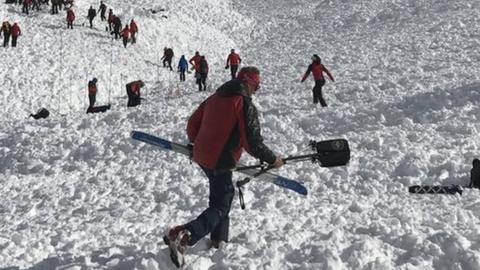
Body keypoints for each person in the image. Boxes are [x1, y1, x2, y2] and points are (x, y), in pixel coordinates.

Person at [163, 66, 284, 268]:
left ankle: (219, 241)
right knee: (221, 205)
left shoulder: (215, 96)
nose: (257, 90)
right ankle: (184, 235)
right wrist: (272, 159)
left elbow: (193, 123)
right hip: (221, 159)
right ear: (248, 82)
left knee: (221, 197)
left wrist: (199, 143)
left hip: (202, 156)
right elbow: (252, 141)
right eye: (257, 85)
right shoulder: (243, 103)